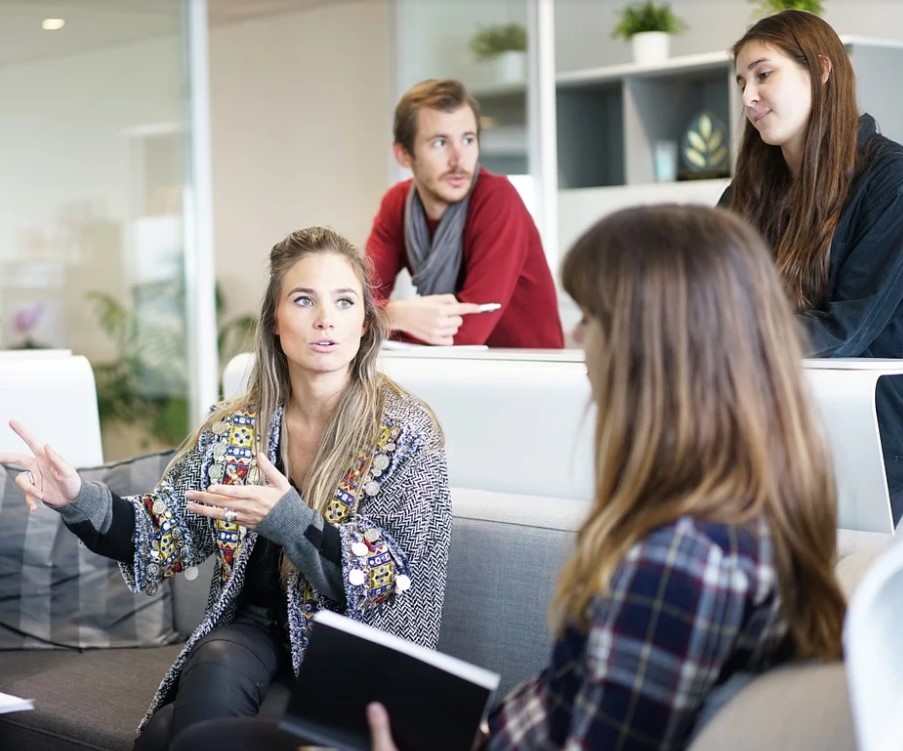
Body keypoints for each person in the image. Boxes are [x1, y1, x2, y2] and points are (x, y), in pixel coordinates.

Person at [167, 205, 847, 751]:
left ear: (655, 348)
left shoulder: (678, 562)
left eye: (593, 317)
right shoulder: (739, 519)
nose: (578, 340)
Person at [0, 226, 452, 750]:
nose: (325, 318)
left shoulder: (406, 432)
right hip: (254, 631)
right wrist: (78, 498)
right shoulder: (235, 428)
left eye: (344, 301)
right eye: (304, 300)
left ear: (365, 324)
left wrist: (289, 520)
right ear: (275, 323)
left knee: (171, 735)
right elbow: (160, 531)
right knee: (213, 665)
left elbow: (392, 578)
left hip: (354, 653)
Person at [722, 9, 903, 523]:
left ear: (821, 70)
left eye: (763, 74)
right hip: (773, 429)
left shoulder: (891, 181)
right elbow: (703, 290)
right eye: (741, 82)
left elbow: (847, 330)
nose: (748, 97)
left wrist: (726, 337)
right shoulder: (748, 191)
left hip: (873, 438)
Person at [365, 78, 564, 348]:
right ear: (403, 155)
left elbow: (467, 333)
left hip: (527, 374)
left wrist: (380, 320)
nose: (459, 160)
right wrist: (395, 314)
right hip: (455, 371)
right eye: (440, 143)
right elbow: (355, 302)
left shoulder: (497, 199)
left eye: (468, 140)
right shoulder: (397, 204)